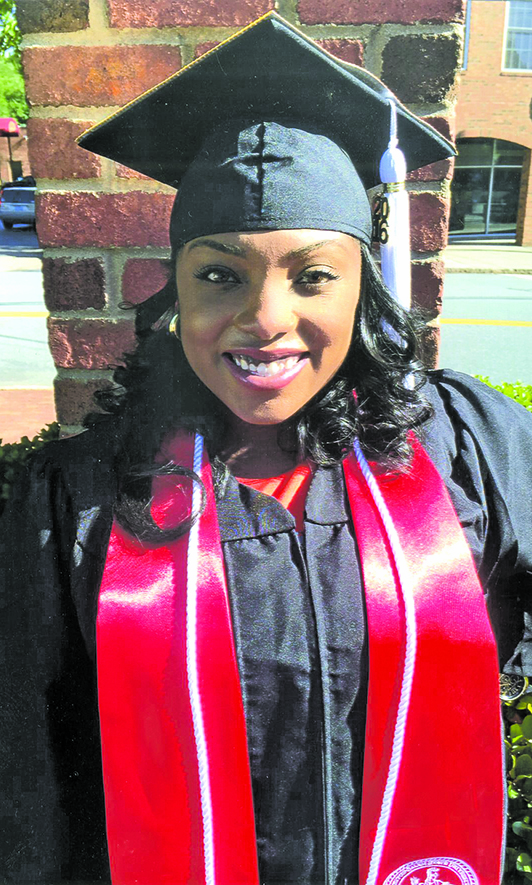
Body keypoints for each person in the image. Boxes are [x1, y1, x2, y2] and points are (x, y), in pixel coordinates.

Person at [1, 12, 531, 885]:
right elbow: (30, 780)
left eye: (313, 275)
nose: (266, 318)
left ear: (364, 288)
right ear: (176, 291)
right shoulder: (80, 498)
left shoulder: (463, 446)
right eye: (220, 275)